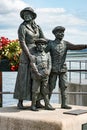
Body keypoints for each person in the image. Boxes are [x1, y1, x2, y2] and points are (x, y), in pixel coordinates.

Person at [45, 26, 87, 109]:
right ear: (55, 34)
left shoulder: (65, 43)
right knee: (51, 87)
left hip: (63, 69)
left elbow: (75, 47)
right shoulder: (50, 44)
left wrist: (85, 46)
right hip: (53, 69)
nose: (61, 34)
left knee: (64, 86)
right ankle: (47, 104)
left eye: (62, 32)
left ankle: (64, 104)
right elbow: (43, 53)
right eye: (59, 32)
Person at [14, 7, 45, 109]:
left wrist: (54, 42)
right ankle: (20, 101)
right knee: (24, 78)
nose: (26, 16)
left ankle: (37, 101)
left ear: (32, 16)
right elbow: (22, 42)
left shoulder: (38, 27)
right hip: (27, 54)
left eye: (28, 14)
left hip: (37, 53)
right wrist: (29, 55)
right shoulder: (22, 27)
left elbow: (43, 39)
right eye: (24, 14)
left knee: (37, 77)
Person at [30, 38, 55, 111]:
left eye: (43, 44)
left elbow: (50, 65)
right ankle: (33, 105)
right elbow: (33, 64)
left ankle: (47, 104)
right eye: (39, 44)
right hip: (36, 76)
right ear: (37, 46)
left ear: (45, 46)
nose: (41, 46)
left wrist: (48, 72)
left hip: (45, 75)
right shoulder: (33, 55)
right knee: (35, 91)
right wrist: (37, 73)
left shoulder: (47, 55)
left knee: (45, 91)